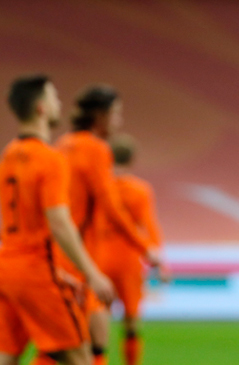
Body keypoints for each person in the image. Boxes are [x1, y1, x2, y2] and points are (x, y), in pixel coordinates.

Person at [43, 86, 163, 365]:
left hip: (59, 254)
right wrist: (147, 248)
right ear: (101, 116)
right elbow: (113, 210)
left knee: (68, 345)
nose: (118, 120)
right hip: (82, 258)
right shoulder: (96, 149)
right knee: (85, 346)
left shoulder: (62, 144)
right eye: (116, 113)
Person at [0, 75, 115, 365]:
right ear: (41, 108)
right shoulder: (50, 159)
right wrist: (91, 273)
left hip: (7, 269)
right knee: (80, 358)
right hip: (36, 270)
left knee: (8, 356)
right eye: (54, 98)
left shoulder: (9, 155)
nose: (59, 104)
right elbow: (59, 223)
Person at [93, 134, 167, 365]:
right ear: (132, 159)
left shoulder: (99, 188)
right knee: (132, 322)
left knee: (98, 323)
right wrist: (158, 260)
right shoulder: (140, 189)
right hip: (129, 260)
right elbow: (150, 227)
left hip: (99, 257)